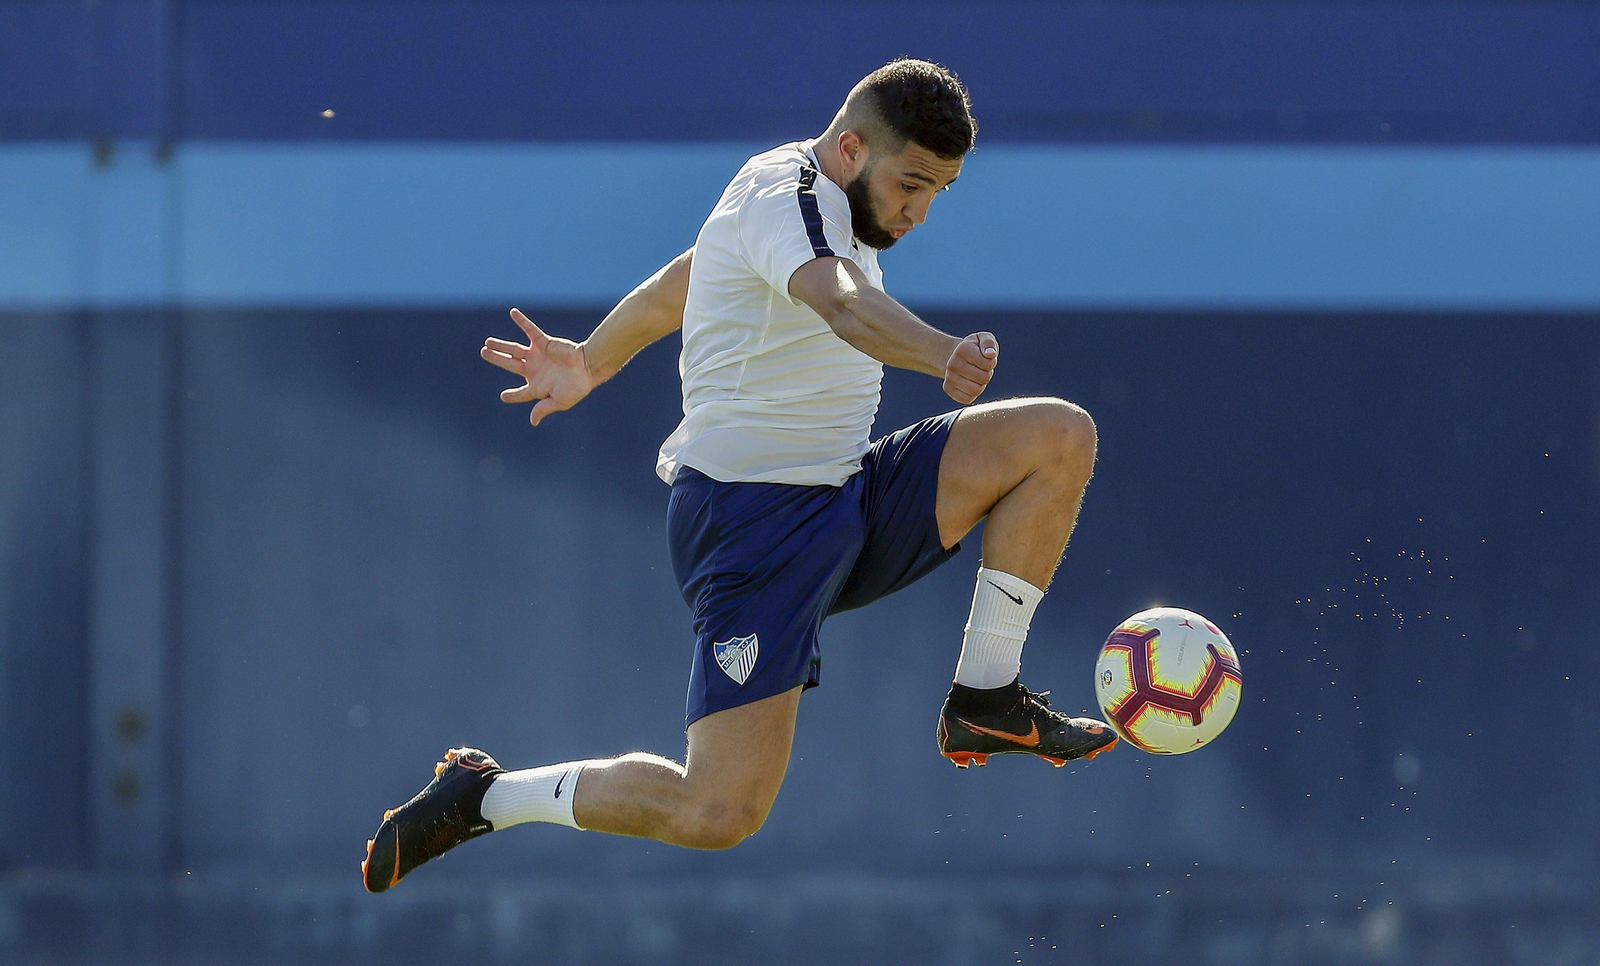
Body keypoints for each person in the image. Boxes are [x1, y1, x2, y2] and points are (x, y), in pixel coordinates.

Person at [363, 58, 1114, 893]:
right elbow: (842, 305)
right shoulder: (786, 197)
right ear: (851, 147)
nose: (920, 211)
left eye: (938, 191)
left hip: (845, 491)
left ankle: (985, 695)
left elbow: (684, 279)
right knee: (717, 812)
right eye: (911, 184)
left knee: (1057, 438)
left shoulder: (799, 210)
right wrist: (945, 356)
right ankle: (486, 798)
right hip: (750, 530)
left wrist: (588, 361)